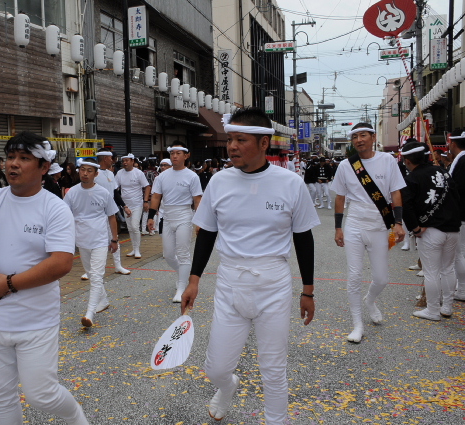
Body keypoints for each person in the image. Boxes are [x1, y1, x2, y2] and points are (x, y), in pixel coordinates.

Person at [181, 107, 319, 424]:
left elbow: (303, 238)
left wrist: (308, 291)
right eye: (230, 139)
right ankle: (227, 386)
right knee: (216, 368)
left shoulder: (290, 183)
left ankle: (277, 420)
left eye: (241, 140)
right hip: (230, 282)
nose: (232, 146)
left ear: (263, 143)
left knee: (273, 367)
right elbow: (207, 233)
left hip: (274, 283)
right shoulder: (219, 181)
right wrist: (193, 280)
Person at [0, 131, 89, 425]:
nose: (13, 164)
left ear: (44, 167)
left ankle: (77, 418)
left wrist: (8, 283)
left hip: (35, 322)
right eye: (10, 157)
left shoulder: (54, 208)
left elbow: (61, 263)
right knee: (0, 397)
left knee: (42, 395)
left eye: (24, 158)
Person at [331, 122, 406, 343]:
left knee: (381, 278)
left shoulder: (388, 160)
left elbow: (396, 192)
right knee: (354, 276)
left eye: (363, 135)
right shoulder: (346, 165)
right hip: (354, 223)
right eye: (355, 137)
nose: (358, 140)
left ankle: (370, 300)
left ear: (373, 137)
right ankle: (357, 324)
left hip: (380, 225)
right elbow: (340, 198)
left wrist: (398, 223)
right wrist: (338, 228)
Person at [400, 141, 461, 320]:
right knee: (448, 269)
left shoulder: (412, 178)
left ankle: (433, 310)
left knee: (431, 272)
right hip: (453, 228)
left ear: (407, 160)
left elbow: (406, 206)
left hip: (430, 231)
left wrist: (415, 228)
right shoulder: (444, 172)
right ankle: (447, 307)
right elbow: (457, 197)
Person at [63, 158, 119, 327]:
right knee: (91, 273)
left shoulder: (103, 192)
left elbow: (112, 216)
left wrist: (114, 239)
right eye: (82, 170)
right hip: (81, 241)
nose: (85, 173)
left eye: (89, 171)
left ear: (96, 174)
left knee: (96, 276)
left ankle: (89, 313)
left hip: (100, 240)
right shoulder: (72, 192)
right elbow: (64, 216)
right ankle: (104, 300)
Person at [148, 142, 202, 302]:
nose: (175, 156)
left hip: (184, 215)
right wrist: (150, 217)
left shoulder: (192, 176)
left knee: (183, 253)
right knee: (168, 255)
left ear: (186, 155)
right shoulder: (162, 176)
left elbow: (197, 200)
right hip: (167, 216)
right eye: (172, 153)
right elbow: (156, 197)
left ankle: (181, 288)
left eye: (178, 153)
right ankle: (183, 275)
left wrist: (199, 221)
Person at [94, 149, 131, 275]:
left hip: (109, 212)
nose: (113, 160)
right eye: (111, 158)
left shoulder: (110, 174)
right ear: (105, 159)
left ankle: (118, 266)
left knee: (114, 238)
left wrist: (124, 206)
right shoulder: (94, 174)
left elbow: (115, 193)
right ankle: (90, 270)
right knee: (95, 241)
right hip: (96, 213)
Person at [115, 153, 151, 259]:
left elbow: (147, 187)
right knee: (130, 228)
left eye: (127, 160)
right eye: (123, 161)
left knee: (135, 226)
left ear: (132, 161)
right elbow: (115, 187)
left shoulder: (138, 173)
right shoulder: (119, 173)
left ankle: (137, 250)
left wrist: (145, 201)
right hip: (125, 205)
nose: (125, 163)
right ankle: (134, 249)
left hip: (137, 204)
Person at [447, 131, 465, 301]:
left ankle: (462, 289)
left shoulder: (462, 161)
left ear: (453, 143)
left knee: (459, 253)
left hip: (461, 212)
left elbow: (456, 188)